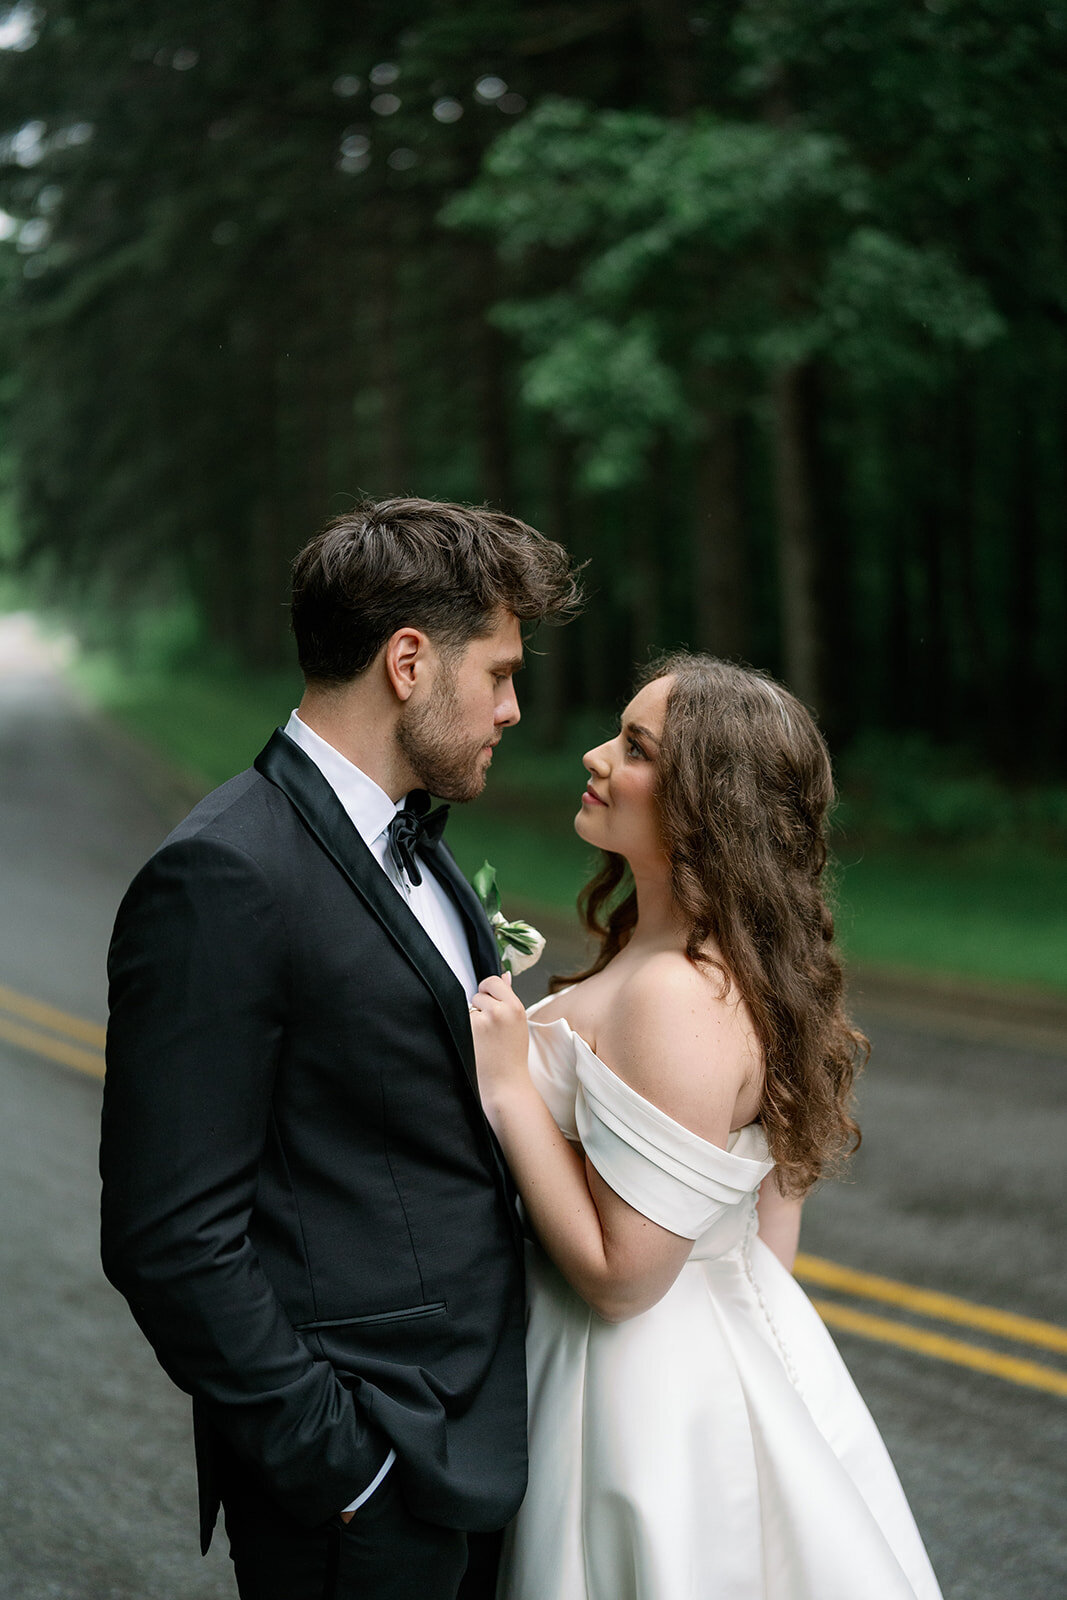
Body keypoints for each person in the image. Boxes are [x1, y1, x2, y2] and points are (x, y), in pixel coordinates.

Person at [99, 497, 582, 1600]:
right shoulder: (223, 876)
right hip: (361, 1483)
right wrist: (339, 1463)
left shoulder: (427, 854)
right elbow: (168, 1234)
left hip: (476, 1448)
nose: (512, 708)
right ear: (408, 662)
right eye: (499, 673)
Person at [469, 653, 943, 1600]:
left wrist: (512, 1088)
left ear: (703, 806)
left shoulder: (678, 993)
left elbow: (621, 1281)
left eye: (635, 748)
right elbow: (770, 1221)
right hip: (695, 1362)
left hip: (632, 1394)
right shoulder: (701, 961)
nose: (596, 757)